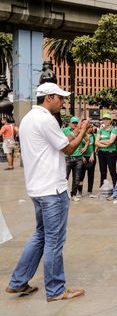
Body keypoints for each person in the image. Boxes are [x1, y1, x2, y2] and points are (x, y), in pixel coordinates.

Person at [6, 82, 87, 302]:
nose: (62, 102)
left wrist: (76, 132)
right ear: (49, 97)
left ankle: (18, 282)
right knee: (54, 240)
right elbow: (69, 148)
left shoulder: (29, 119)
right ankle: (56, 290)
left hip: (37, 188)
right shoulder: (46, 119)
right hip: (52, 189)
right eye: (60, 98)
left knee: (40, 235)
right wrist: (84, 132)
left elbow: (59, 143)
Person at [63, 117, 89, 202]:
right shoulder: (65, 130)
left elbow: (88, 139)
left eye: (76, 123)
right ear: (70, 123)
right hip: (67, 157)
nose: (74, 124)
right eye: (73, 122)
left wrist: (85, 147)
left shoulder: (81, 131)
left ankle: (73, 194)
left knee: (76, 178)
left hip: (78, 158)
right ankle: (63, 195)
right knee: (64, 177)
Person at [95, 113, 117, 188]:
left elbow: (111, 141)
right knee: (103, 171)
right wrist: (104, 144)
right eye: (104, 119)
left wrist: (100, 141)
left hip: (111, 153)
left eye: (107, 119)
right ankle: (102, 187)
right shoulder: (100, 130)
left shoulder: (113, 130)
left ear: (110, 120)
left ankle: (116, 188)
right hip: (101, 153)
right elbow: (96, 142)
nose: (106, 120)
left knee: (112, 171)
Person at [79, 125, 97, 198]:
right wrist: (81, 156)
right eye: (88, 127)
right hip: (83, 157)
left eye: (90, 127)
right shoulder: (81, 136)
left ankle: (90, 191)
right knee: (81, 175)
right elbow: (78, 146)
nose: (89, 129)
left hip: (91, 157)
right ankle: (79, 191)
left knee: (91, 175)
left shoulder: (94, 136)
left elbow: (95, 146)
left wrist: (93, 154)